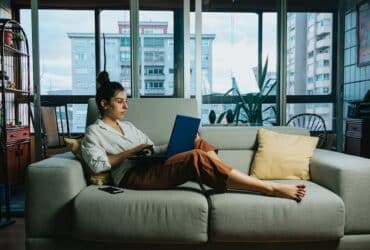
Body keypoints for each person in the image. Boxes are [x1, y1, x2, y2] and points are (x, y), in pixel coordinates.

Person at [81, 78, 306, 202]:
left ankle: (235, 179)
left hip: (150, 164)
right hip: (131, 176)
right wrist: (133, 151)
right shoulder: (94, 133)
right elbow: (98, 164)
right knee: (196, 158)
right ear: (104, 104)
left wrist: (183, 140)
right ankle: (267, 187)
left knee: (198, 144)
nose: (125, 106)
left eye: (125, 101)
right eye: (120, 101)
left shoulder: (128, 127)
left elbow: (152, 148)